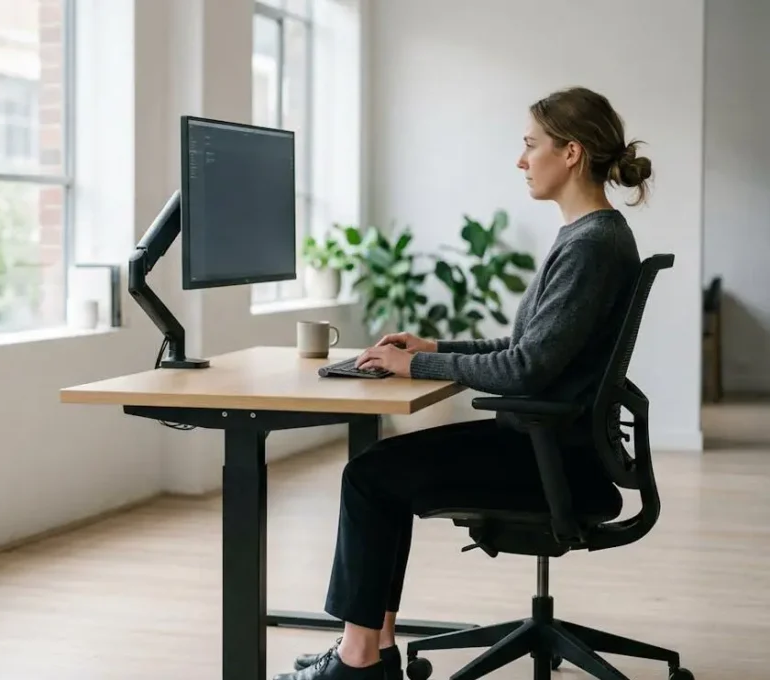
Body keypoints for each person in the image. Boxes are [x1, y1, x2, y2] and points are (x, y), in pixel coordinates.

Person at [274, 85, 652, 680]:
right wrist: (435, 348)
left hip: (552, 457)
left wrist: (415, 367)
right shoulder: (590, 236)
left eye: (532, 146)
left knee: (371, 475)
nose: (522, 160)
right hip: (555, 445)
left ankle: (357, 661)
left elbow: (525, 369)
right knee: (382, 471)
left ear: (572, 152)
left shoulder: (591, 246)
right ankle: (373, 651)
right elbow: (527, 349)